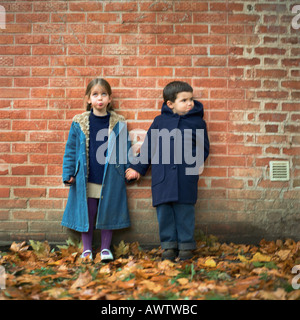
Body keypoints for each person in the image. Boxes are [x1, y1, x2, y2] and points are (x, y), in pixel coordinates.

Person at [126, 81, 209, 261]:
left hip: (185, 175)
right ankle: (169, 246)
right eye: (184, 100)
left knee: (185, 210)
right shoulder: (159, 121)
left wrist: (191, 162)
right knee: (164, 212)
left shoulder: (197, 123)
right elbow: (148, 147)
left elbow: (203, 148)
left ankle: (186, 245)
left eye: (191, 99)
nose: (190, 103)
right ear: (170, 104)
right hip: (162, 175)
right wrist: (137, 168)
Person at [62, 78, 138, 261]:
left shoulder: (118, 123)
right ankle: (87, 249)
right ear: (88, 99)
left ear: (110, 99)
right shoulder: (79, 122)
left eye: (104, 94)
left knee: (108, 211)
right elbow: (71, 149)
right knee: (88, 212)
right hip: (87, 177)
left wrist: (129, 169)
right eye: (95, 94)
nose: (100, 98)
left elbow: (125, 149)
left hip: (110, 176)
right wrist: (68, 173)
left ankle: (105, 249)